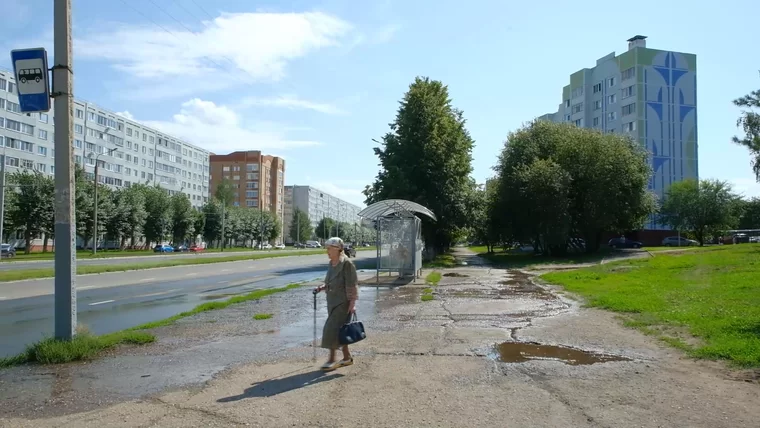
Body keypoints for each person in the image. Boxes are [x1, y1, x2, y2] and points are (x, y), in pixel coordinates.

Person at [313, 237, 359, 372]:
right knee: (340, 331)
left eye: (329, 249)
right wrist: (322, 287)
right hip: (331, 301)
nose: (327, 251)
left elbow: (352, 284)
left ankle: (332, 359)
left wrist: (352, 303)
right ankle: (347, 357)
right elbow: (330, 282)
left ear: (338, 249)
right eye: (327, 248)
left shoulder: (347, 264)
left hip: (343, 302)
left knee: (330, 329)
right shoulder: (331, 263)